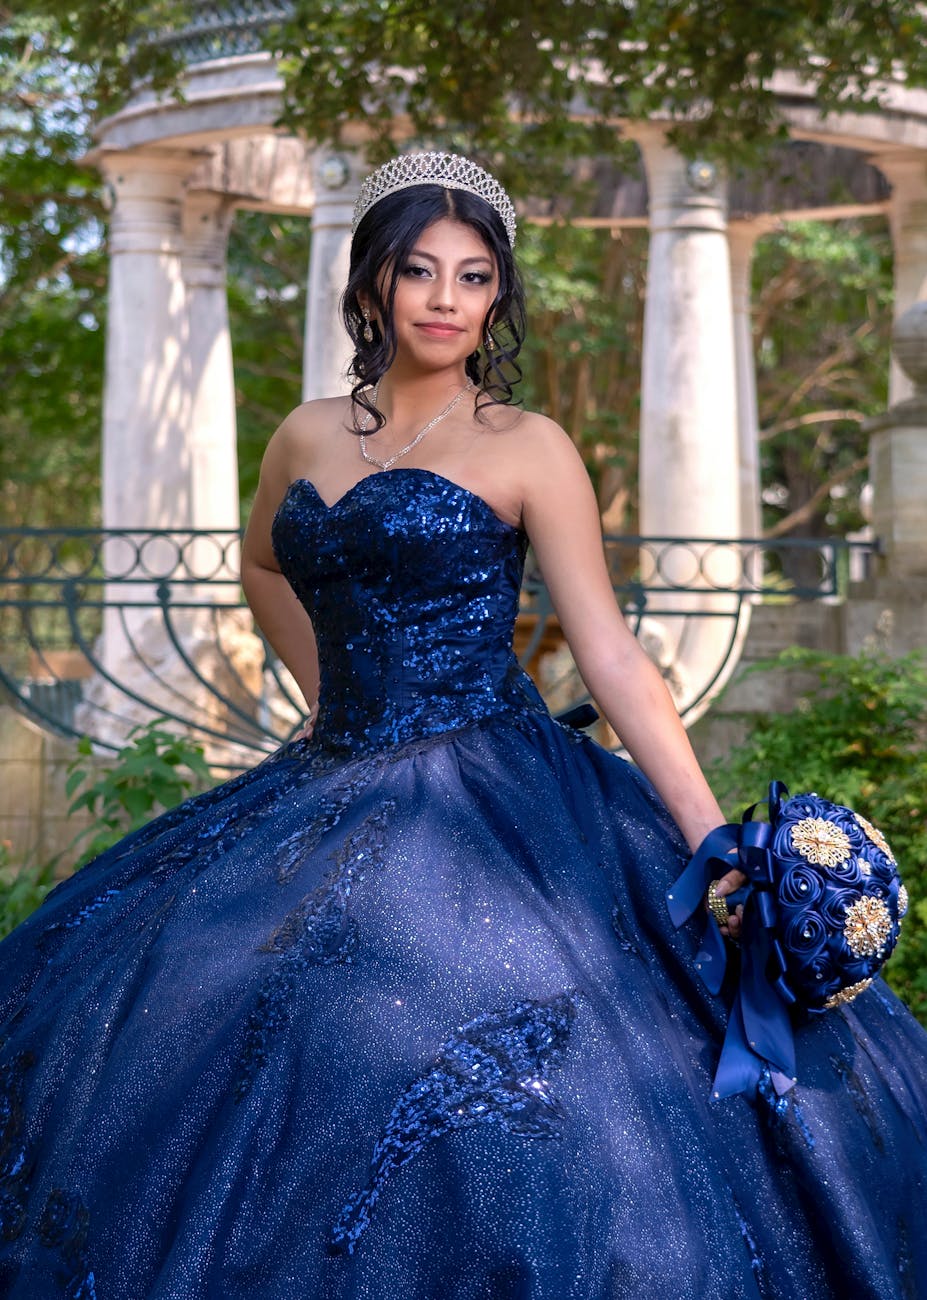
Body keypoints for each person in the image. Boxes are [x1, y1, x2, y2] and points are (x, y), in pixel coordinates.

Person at [0, 152, 924, 1300]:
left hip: (493, 793)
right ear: (373, 283)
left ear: (497, 296)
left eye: (474, 276)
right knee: (176, 1014)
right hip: (332, 774)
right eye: (419, 270)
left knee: (480, 1076)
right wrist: (328, 701)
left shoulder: (527, 444)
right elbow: (262, 563)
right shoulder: (305, 436)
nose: (446, 298)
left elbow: (611, 654)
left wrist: (708, 838)